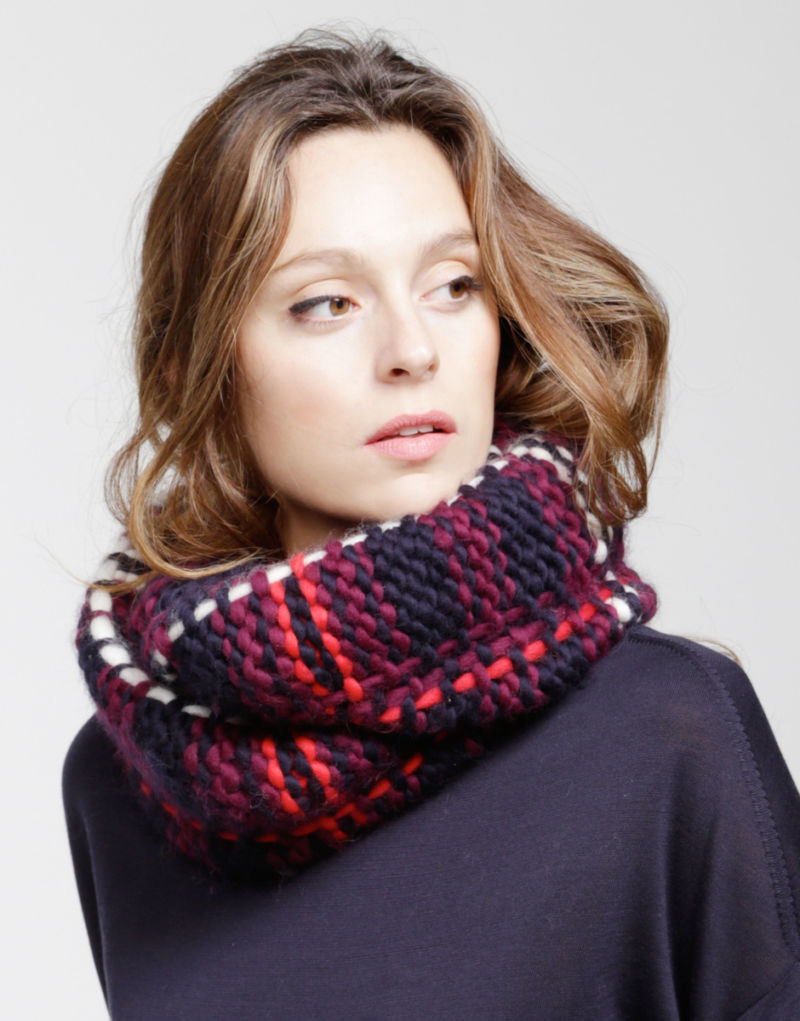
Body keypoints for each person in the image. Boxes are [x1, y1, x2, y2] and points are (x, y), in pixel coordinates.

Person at [63, 29, 800, 1020]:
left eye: (454, 284)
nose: (411, 348)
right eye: (327, 303)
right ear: (199, 366)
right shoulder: (126, 782)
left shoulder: (670, 732)